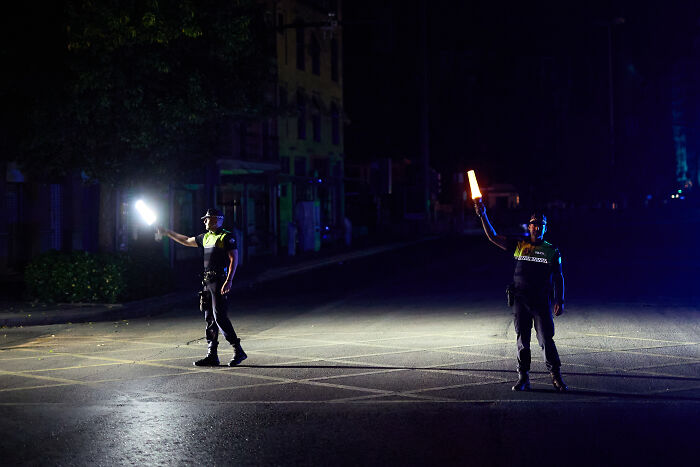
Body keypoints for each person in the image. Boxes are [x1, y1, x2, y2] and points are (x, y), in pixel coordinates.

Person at [474, 199, 568, 392]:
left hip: (541, 302)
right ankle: (523, 377)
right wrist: (483, 214)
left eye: (541, 225)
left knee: (546, 340)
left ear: (544, 228)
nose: (537, 228)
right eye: (534, 224)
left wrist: (560, 299)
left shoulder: (552, 250)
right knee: (522, 342)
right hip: (520, 301)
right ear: (529, 226)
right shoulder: (519, 245)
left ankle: (556, 377)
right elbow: (492, 237)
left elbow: (559, 277)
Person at [158, 208, 247, 367]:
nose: (204, 221)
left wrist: (229, 280)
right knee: (209, 318)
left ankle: (238, 350)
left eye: (207, 219)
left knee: (219, 316)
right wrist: (168, 233)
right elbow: (186, 240)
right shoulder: (205, 237)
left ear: (216, 219)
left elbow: (234, 259)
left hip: (219, 281)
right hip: (207, 281)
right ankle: (212, 355)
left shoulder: (226, 236)